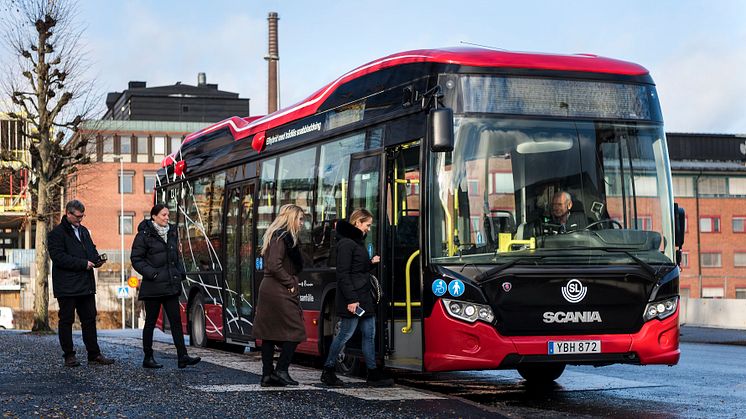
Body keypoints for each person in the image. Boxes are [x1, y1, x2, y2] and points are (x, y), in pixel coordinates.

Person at [320, 209, 394, 388]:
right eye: (367, 225)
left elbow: (355, 270)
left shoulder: (355, 242)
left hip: (363, 297)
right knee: (345, 334)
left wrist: (370, 264)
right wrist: (352, 300)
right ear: (358, 222)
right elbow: (343, 274)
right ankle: (328, 370)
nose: (369, 228)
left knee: (369, 335)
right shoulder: (346, 244)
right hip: (353, 299)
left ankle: (372, 373)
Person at [130, 204, 201, 369]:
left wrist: (179, 273)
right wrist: (152, 274)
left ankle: (182, 356)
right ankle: (148, 357)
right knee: (151, 322)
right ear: (154, 216)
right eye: (163, 215)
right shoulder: (144, 235)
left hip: (170, 285)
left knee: (176, 321)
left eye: (168, 215)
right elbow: (136, 259)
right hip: (153, 287)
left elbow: (176, 258)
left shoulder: (172, 233)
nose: (167, 218)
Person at [48, 200, 115, 367]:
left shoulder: (84, 231)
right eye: (78, 217)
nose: (80, 220)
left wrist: (96, 260)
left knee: (89, 319)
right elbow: (59, 258)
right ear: (68, 214)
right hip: (67, 286)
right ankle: (69, 355)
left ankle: (94, 354)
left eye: (82, 216)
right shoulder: (56, 233)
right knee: (66, 320)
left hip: (85, 284)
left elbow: (91, 250)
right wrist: (84, 264)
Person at [253, 204, 307, 387]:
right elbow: (275, 265)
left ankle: (268, 375)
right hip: (278, 289)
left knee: (269, 333)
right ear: (291, 218)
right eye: (300, 219)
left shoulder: (279, 236)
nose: (302, 223)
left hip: (272, 288)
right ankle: (281, 370)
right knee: (296, 330)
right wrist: (290, 282)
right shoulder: (281, 237)